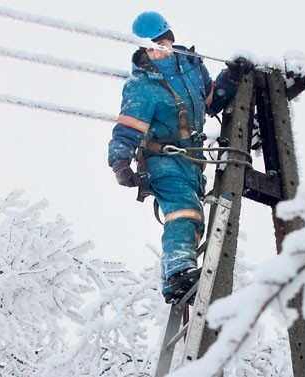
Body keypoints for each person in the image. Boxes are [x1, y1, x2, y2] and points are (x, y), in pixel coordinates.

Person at [108, 11, 252, 304]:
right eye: (151, 46)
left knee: (191, 219)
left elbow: (212, 100)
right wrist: (120, 161)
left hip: (191, 162)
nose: (157, 50)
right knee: (184, 212)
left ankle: (174, 281)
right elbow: (127, 128)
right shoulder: (142, 84)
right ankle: (178, 274)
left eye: (161, 43)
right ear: (142, 48)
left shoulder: (192, 67)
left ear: (170, 39)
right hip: (162, 159)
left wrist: (232, 77)